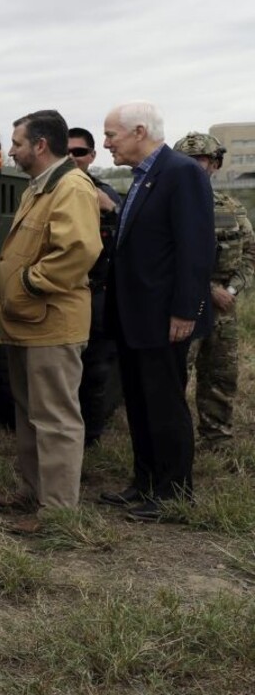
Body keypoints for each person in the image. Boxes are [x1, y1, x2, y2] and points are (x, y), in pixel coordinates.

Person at [99, 101, 214, 521]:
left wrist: (185, 311)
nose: (106, 142)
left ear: (139, 132)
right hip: (136, 317)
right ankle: (144, 482)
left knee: (164, 404)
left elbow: (196, 249)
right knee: (141, 402)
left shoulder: (181, 173)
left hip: (167, 319)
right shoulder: (144, 178)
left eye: (112, 134)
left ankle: (174, 492)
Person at [0, 111, 102, 531]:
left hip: (50, 322)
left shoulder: (71, 186)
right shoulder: (39, 187)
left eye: (17, 143)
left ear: (39, 145)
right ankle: (35, 491)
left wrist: (29, 283)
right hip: (27, 321)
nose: (11, 150)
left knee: (55, 418)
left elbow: (78, 250)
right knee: (30, 411)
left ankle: (57, 512)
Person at [174, 132, 255, 451]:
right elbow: (168, 260)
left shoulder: (231, 208)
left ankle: (217, 438)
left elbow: (250, 251)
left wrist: (231, 289)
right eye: (186, 162)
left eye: (201, 161)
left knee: (221, 374)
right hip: (184, 308)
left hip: (224, 309)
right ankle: (174, 440)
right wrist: (210, 291)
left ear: (215, 164)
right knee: (177, 375)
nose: (194, 167)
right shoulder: (170, 206)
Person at [68, 127, 122, 447]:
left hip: (95, 292)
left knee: (96, 367)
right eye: (68, 152)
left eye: (79, 152)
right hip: (58, 293)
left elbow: (123, 242)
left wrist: (110, 211)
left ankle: (90, 434)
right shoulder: (47, 191)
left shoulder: (105, 194)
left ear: (91, 156)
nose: (73, 158)